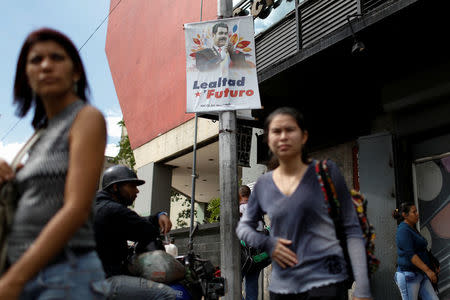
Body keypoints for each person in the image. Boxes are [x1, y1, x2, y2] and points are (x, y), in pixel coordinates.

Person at [0, 28, 108, 299]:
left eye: (57, 57)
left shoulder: (86, 117)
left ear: (76, 72)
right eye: (36, 60)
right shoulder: (40, 137)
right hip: (27, 272)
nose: (46, 65)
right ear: (27, 75)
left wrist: (14, 279)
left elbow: (77, 208)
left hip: (65, 273)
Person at [236, 107, 372, 300]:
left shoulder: (326, 174)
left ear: (304, 137)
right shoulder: (265, 185)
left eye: (290, 130)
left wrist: (363, 287)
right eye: (276, 131)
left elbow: (352, 230)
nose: (283, 137)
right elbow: (244, 229)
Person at [94, 164, 176, 300]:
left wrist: (158, 216)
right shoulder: (114, 210)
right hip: (103, 280)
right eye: (132, 186)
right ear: (115, 187)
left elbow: (134, 222)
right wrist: (158, 217)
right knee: (167, 294)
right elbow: (147, 231)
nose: (137, 191)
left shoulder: (94, 207)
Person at [392, 202, 439, 300]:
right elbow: (411, 254)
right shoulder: (403, 230)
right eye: (414, 212)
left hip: (420, 274)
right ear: (405, 215)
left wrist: (433, 264)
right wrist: (428, 271)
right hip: (409, 276)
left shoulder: (412, 229)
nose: (417, 214)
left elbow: (422, 250)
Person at [239, 185, 261, 300]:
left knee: (233, 284)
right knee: (252, 286)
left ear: (240, 196)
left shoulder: (239, 209)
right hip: (256, 255)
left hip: (243, 255)